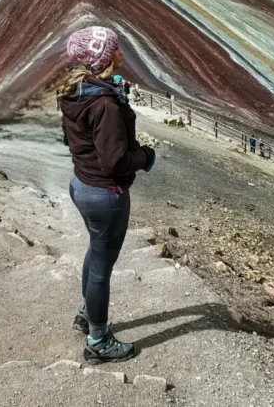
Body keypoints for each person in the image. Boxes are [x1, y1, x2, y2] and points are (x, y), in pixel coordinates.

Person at [58, 26, 156, 363]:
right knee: (102, 264)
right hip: (106, 193)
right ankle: (98, 340)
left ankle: (87, 311)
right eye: (116, 49)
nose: (121, 54)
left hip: (82, 184)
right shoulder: (104, 105)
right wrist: (146, 157)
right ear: (103, 58)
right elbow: (115, 162)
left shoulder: (75, 91)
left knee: (95, 251)